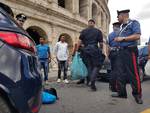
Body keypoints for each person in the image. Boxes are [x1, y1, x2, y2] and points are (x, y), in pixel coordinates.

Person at [113, 9, 143, 104]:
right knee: (120, 73)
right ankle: (121, 93)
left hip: (130, 51)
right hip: (121, 52)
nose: (117, 18)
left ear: (123, 15)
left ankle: (137, 95)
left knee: (133, 74)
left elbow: (137, 36)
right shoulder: (122, 27)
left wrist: (122, 38)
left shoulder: (134, 23)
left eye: (118, 16)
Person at [77, 19, 104, 91]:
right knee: (96, 65)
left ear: (88, 24)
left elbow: (79, 41)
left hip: (85, 50)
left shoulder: (84, 31)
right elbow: (101, 43)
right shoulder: (98, 31)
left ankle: (90, 80)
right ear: (94, 24)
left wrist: (78, 50)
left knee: (89, 66)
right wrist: (101, 50)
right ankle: (92, 80)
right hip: (94, 49)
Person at [108, 22, 121, 92]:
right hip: (119, 53)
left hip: (112, 53)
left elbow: (108, 45)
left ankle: (111, 85)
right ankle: (115, 87)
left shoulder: (110, 35)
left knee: (113, 70)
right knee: (118, 71)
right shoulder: (121, 33)